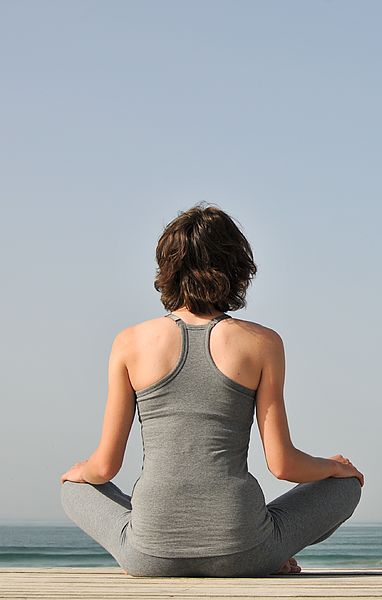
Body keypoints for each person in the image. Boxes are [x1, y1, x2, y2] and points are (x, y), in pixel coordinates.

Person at [60, 202, 364, 577]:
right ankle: (272, 554)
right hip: (244, 550)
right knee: (346, 486)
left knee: (72, 488)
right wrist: (335, 467)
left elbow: (104, 467)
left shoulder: (129, 342)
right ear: (237, 268)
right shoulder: (262, 343)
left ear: (167, 268)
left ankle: (258, 550)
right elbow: (283, 465)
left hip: (150, 554)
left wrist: (81, 470)